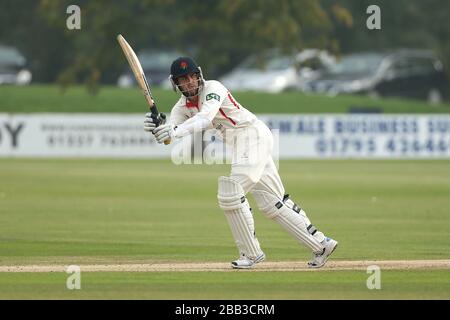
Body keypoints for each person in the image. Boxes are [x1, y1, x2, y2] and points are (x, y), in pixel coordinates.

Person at [144, 57, 338, 269]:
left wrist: (174, 130)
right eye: (184, 79)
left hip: (252, 136)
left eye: (193, 76)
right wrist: (159, 126)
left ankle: (251, 254)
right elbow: (169, 137)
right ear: (176, 84)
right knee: (272, 202)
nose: (190, 82)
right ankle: (321, 244)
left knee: (231, 192)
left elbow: (204, 119)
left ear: (199, 75)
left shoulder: (213, 88)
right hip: (242, 146)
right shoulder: (181, 108)